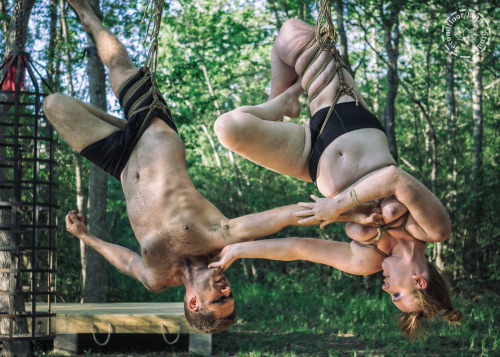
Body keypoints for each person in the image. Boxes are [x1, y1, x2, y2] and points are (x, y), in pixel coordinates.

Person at [43, 1, 382, 334]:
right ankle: (88, 14)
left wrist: (87, 237)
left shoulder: (156, 278)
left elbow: (127, 261)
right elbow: (286, 217)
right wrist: (345, 210)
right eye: (229, 295)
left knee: (54, 105)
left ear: (193, 303)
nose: (225, 289)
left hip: (117, 161)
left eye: (219, 299)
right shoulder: (217, 243)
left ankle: (275, 104)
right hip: (151, 131)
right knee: (117, 63)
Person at [212, 18, 462, 340]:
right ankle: (282, 100)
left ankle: (280, 101)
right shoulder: (434, 229)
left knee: (228, 129)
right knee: (291, 34)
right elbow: (395, 178)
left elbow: (299, 248)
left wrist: (240, 250)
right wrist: (338, 206)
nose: (386, 289)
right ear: (419, 281)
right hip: (345, 119)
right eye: (396, 295)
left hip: (310, 160)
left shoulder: (367, 260)